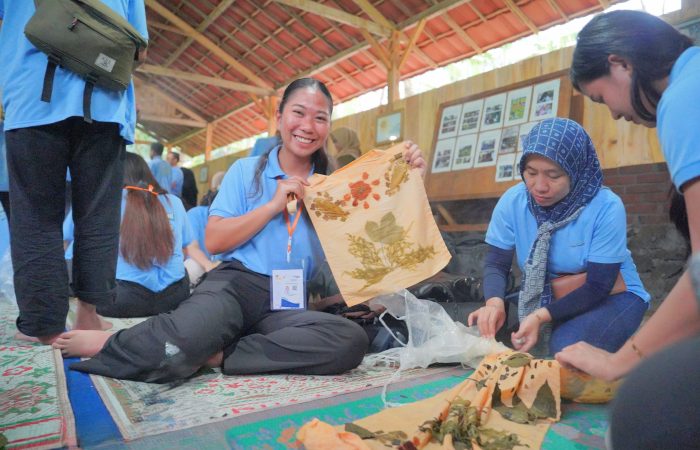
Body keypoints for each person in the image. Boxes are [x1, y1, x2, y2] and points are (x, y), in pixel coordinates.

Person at [52, 78, 426, 384]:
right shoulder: (246, 172)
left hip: (288, 300)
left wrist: (411, 182)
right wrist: (272, 206)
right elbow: (214, 241)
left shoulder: (335, 187)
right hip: (236, 284)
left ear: (328, 126)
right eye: (298, 113)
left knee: (348, 341)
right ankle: (112, 341)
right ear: (280, 117)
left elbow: (380, 242)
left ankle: (223, 354)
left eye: (320, 118)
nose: (307, 126)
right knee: (179, 341)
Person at [553, 11, 700, 449]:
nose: (615, 114)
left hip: (621, 299)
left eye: (601, 99)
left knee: (643, 409)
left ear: (621, 64)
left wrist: (623, 359)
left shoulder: (684, 97)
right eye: (532, 174)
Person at [0, 1, 147, 344]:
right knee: (98, 214)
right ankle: (88, 316)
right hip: (104, 100)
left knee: (35, 217)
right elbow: (139, 50)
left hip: (30, 98)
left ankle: (44, 326)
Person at [468, 118, 649, 357]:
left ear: (576, 171)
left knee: (566, 350)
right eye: (531, 173)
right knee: (488, 334)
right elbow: (496, 264)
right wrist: (494, 304)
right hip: (552, 292)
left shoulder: (606, 207)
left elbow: (599, 286)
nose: (539, 186)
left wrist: (540, 316)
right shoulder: (514, 201)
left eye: (553, 175)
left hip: (612, 294)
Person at [97, 152, 212, 317]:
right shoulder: (174, 201)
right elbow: (189, 247)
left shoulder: (107, 201)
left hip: (121, 301)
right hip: (175, 298)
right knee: (190, 265)